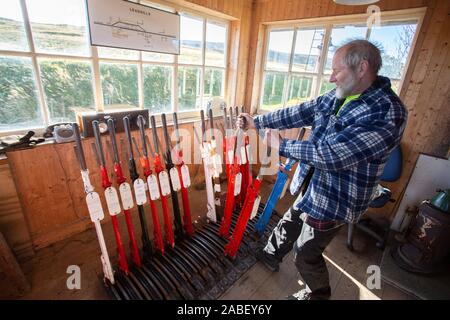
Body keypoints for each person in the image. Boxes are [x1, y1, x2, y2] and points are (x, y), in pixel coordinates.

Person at [237, 40, 408, 300]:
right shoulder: (341, 92)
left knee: (306, 252)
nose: (330, 78)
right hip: (312, 182)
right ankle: (270, 253)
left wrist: (282, 145)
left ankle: (318, 292)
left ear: (362, 68)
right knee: (291, 219)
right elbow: (301, 111)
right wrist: (257, 121)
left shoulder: (387, 112)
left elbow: (332, 156)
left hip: (336, 198)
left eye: (336, 70)